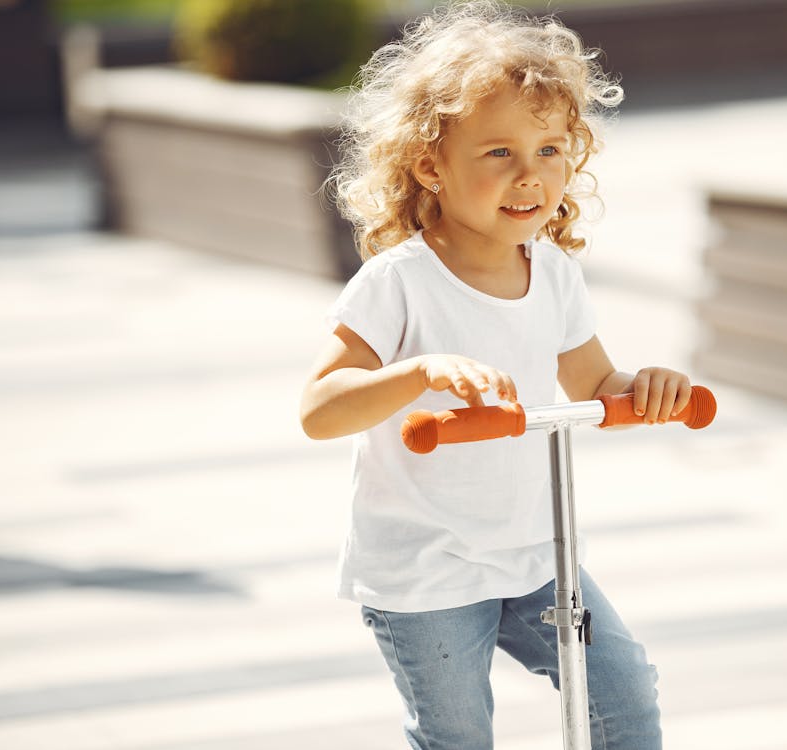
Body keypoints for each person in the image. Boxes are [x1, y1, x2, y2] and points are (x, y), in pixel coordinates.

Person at [299, 2, 691, 748]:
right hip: (425, 570)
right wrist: (415, 374)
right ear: (428, 164)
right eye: (497, 153)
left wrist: (642, 388)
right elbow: (320, 410)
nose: (529, 176)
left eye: (549, 149)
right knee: (456, 737)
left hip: (535, 555)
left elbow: (593, 384)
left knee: (623, 696)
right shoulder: (397, 284)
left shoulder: (552, 273)